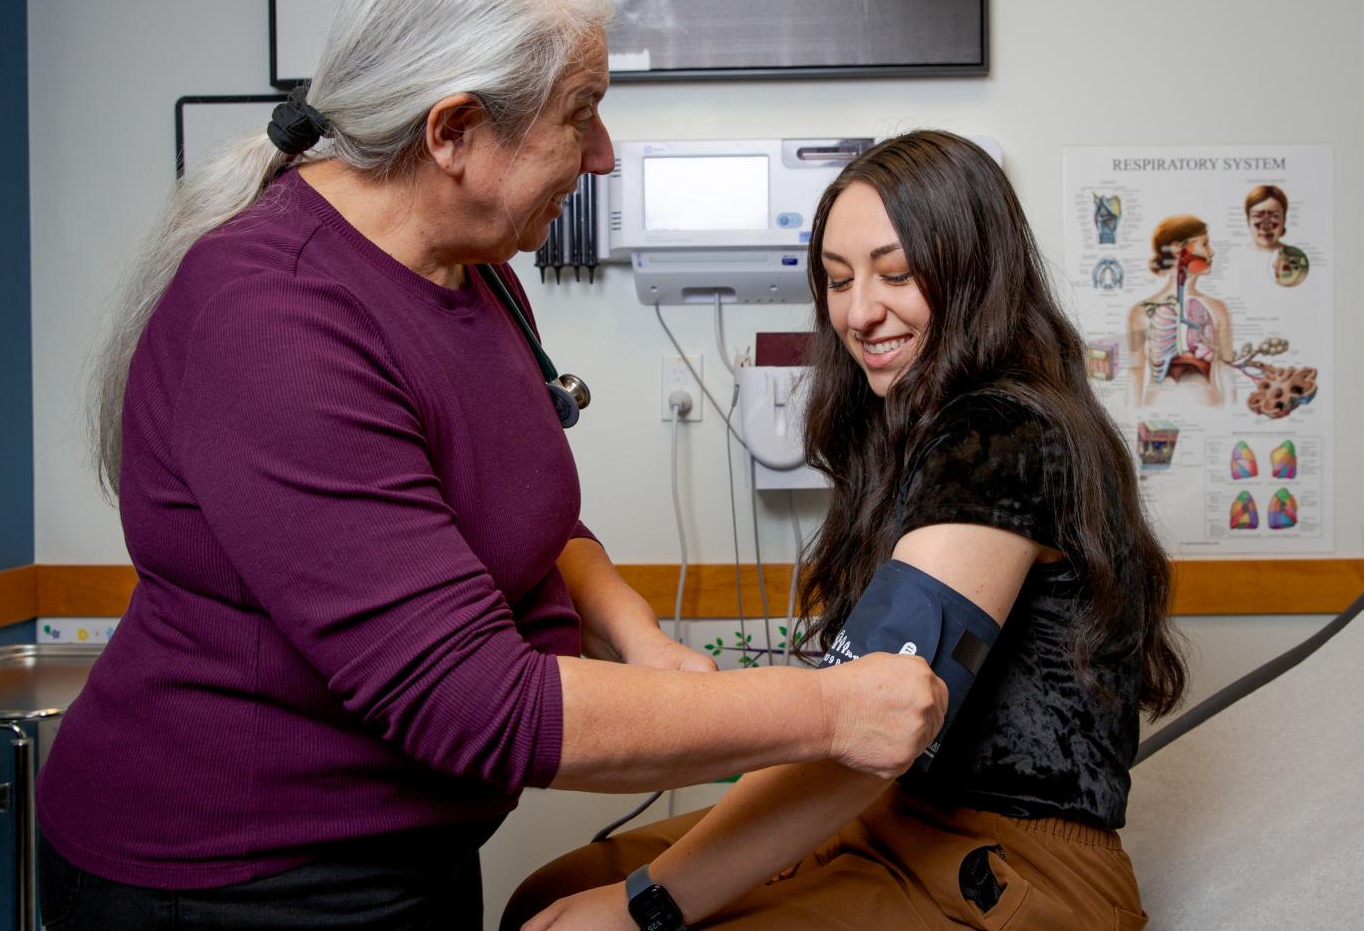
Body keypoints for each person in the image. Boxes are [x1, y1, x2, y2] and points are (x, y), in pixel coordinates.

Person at [34, 0, 946, 929]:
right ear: (454, 132)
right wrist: (825, 710)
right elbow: (474, 701)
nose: (602, 155)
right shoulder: (272, 320)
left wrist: (635, 633)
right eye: (579, 114)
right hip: (234, 878)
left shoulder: (478, 273)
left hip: (403, 848)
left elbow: (519, 517)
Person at [504, 131, 1188, 931]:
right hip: (893, 814)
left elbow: (870, 737)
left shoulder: (1002, 437)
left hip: (1018, 864)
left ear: (974, 273)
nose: (860, 311)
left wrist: (642, 908)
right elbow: (851, 720)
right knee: (548, 897)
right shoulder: (915, 434)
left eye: (896, 274)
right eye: (837, 280)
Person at [1128, 214, 1234, 407]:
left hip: (1210, 416)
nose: (1211, 252)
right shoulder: (1141, 312)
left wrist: (1234, 423)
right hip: (1158, 418)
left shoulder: (1218, 309)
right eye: (1205, 244)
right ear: (1178, 248)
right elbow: (1135, 375)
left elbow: (1227, 372)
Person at [1243, 184, 1309, 287]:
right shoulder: (1239, 255)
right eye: (1257, 216)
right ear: (1248, 221)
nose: (1265, 227)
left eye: (1274, 217)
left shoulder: (1296, 256)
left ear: (1284, 220)